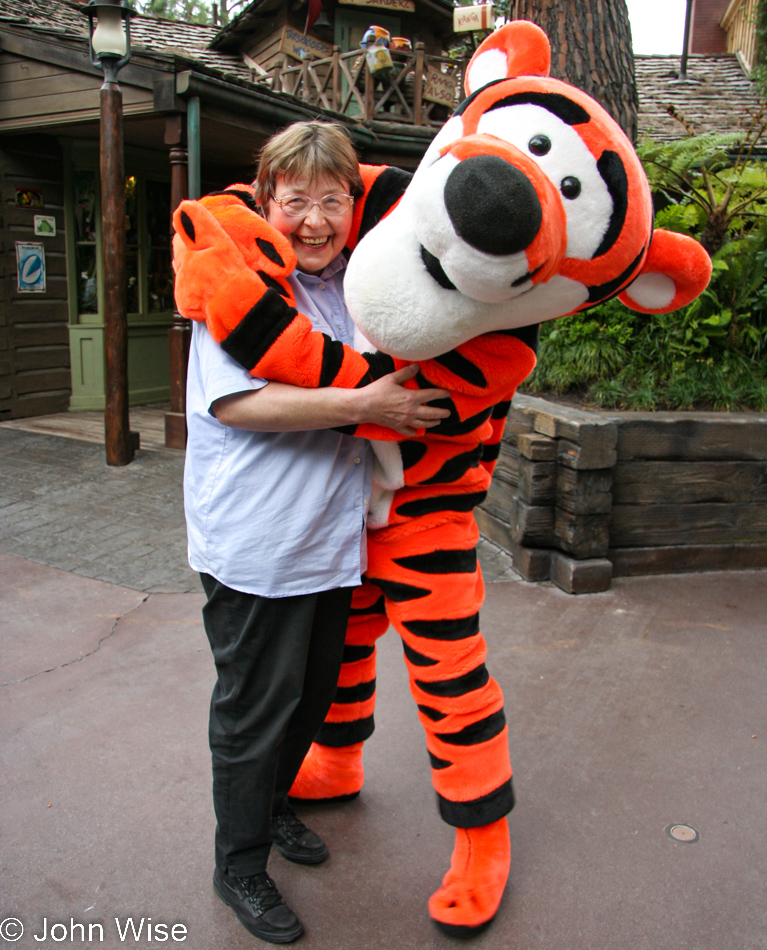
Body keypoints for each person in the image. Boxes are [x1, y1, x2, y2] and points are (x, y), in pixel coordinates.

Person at [181, 121, 450, 944]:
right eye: (294, 200)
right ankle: (239, 863)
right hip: (257, 547)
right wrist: (364, 407)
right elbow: (238, 406)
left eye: (330, 199)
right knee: (254, 714)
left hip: (331, 544)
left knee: (308, 703)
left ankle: (276, 809)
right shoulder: (243, 281)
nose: (313, 219)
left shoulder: (347, 288)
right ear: (266, 203)